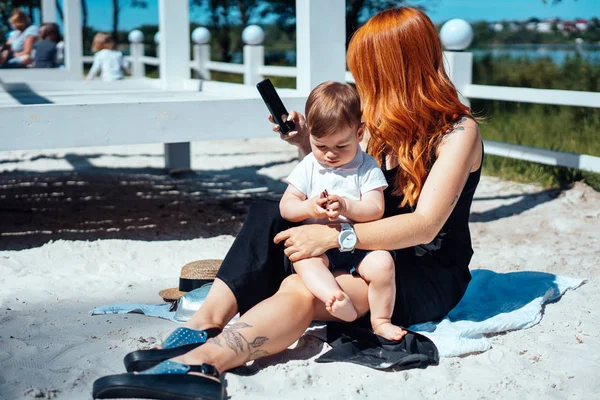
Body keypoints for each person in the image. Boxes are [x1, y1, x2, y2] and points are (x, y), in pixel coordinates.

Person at [93, 7, 484, 399]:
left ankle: (206, 363)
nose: (362, 83)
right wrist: (304, 147)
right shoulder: (384, 127)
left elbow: (425, 226)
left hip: (417, 271)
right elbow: (337, 183)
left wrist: (333, 240)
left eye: (368, 72)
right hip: (368, 245)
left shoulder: (458, 132)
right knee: (270, 212)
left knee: (305, 287)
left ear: (399, 70)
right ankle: (205, 323)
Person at [279, 81, 405, 340]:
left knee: (383, 263)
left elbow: (375, 209)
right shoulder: (309, 165)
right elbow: (286, 207)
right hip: (319, 247)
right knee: (304, 261)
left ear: (360, 133)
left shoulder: (366, 167)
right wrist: (307, 206)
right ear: (310, 134)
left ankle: (381, 320)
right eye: (321, 145)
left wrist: (348, 206)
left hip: (360, 244)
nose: (330, 155)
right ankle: (334, 297)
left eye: (341, 146)